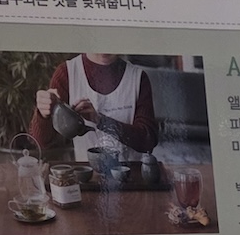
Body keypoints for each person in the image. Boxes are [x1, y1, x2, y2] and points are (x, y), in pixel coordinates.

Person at [30, 52, 159, 162]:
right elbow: (42, 142)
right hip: (88, 176)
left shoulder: (137, 78)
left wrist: (100, 120)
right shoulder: (68, 73)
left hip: (132, 176)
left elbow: (148, 141)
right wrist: (43, 114)